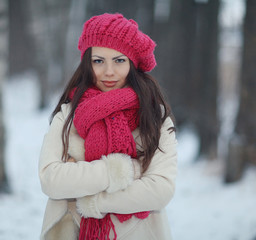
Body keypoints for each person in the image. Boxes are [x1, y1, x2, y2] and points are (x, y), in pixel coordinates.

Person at [38, 13, 178, 240]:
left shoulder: (154, 117)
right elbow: (51, 179)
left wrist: (92, 200)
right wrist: (125, 171)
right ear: (87, 63)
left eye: (119, 60)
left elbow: (160, 190)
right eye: (98, 61)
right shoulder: (68, 114)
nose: (109, 71)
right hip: (73, 231)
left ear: (132, 64)